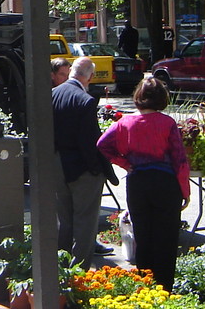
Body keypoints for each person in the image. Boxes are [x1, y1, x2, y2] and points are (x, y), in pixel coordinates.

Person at [97, 77, 190, 291]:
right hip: (165, 184)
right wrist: (185, 191)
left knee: (142, 235)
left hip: (137, 181)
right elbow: (179, 160)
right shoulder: (167, 123)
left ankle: (144, 287)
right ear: (161, 98)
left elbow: (102, 144)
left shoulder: (125, 122)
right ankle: (164, 288)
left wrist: (124, 163)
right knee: (165, 237)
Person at [52, 57, 109, 269]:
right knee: (85, 222)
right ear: (90, 77)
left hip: (58, 165)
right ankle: (80, 274)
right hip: (82, 169)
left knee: (64, 220)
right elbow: (90, 140)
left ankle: (60, 268)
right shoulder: (85, 100)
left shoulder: (52, 94)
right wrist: (95, 168)